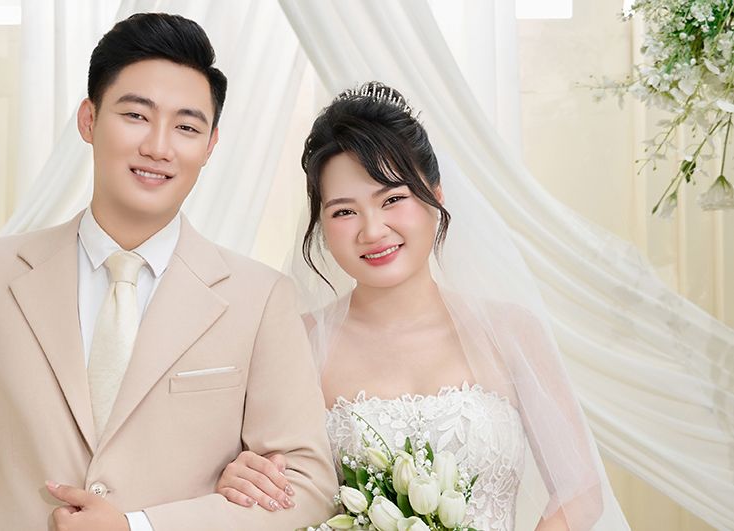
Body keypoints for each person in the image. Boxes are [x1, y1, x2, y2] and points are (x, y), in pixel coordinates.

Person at [0, 12, 337, 531]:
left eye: (186, 127)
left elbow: (308, 488)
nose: (158, 146)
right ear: (88, 120)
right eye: (136, 115)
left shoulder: (261, 297)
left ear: (210, 146)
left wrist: (139, 526)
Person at [215, 82, 630, 530]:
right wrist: (240, 477)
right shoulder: (295, 343)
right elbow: (274, 487)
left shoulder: (511, 331)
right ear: (321, 224)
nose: (373, 231)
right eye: (344, 211)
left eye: (393, 199)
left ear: (436, 194)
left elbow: (580, 491)